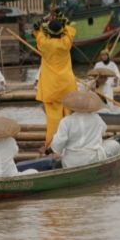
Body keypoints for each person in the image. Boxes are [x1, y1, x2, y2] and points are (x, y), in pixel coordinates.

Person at [34, 10, 78, 147]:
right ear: (60, 32)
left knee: (53, 120)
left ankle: (52, 145)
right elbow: (69, 28)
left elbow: (37, 28)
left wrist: (45, 18)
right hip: (67, 85)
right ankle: (72, 143)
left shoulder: (44, 44)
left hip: (51, 87)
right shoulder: (66, 43)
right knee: (70, 117)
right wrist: (59, 15)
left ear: (49, 33)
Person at [49, 91, 120, 168]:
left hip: (70, 162)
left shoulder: (66, 121)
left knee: (64, 151)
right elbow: (103, 130)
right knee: (115, 144)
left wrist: (54, 150)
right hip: (93, 159)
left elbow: (58, 143)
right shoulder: (96, 118)